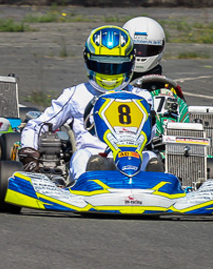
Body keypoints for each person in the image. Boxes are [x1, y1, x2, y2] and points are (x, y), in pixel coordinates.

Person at [18, 25, 156, 179]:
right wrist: (29, 150)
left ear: (130, 64)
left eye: (116, 66)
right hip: (92, 153)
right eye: (102, 65)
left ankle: (154, 185)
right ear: (89, 62)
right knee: (82, 156)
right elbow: (38, 124)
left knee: (150, 156)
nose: (108, 73)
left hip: (133, 157)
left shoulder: (142, 96)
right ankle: (90, 180)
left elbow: (155, 134)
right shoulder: (76, 94)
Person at [122, 16, 166, 81]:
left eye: (149, 49)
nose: (139, 53)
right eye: (135, 50)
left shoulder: (166, 87)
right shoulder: (112, 82)